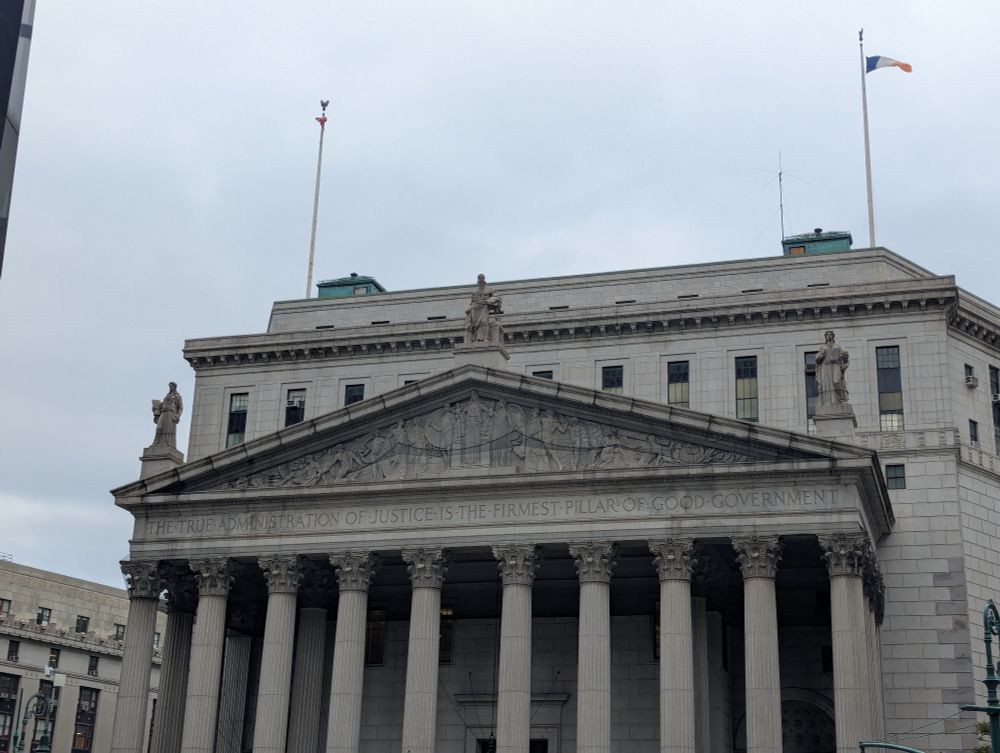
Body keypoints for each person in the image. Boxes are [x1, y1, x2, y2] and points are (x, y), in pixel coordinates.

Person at [815, 330, 850, 409]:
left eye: (830, 334)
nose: (829, 336)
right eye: (827, 335)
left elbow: (843, 357)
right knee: (827, 385)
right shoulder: (823, 347)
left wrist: (845, 357)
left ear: (833, 336)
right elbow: (817, 359)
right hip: (826, 366)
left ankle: (841, 398)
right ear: (825, 337)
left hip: (836, 365)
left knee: (836, 381)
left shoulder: (837, 347)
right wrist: (820, 356)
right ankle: (828, 402)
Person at [465, 273, 503, 343]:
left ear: (484, 279)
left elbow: (496, 297)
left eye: (482, 278)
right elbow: (471, 302)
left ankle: (485, 338)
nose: (481, 279)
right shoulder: (474, 291)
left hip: (484, 307)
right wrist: (469, 309)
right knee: (475, 324)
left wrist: (488, 301)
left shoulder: (489, 289)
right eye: (479, 278)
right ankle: (477, 339)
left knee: (484, 322)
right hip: (475, 308)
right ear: (478, 280)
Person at [151, 382, 183, 448]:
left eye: (172, 386)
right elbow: (161, 405)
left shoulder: (177, 396)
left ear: (174, 387)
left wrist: (178, 416)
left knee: (168, 428)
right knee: (159, 427)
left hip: (171, 413)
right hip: (163, 412)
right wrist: (156, 407)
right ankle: (156, 442)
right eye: (169, 386)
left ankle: (166, 443)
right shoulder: (167, 396)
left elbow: (181, 408)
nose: (170, 387)